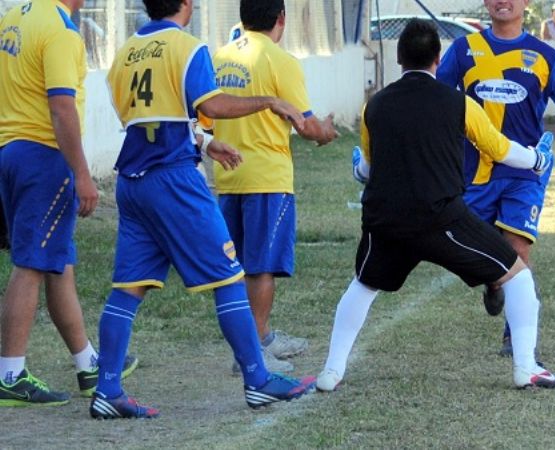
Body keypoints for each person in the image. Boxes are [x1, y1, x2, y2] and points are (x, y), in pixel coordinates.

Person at [91, 0, 315, 420]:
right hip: (174, 180)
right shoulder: (187, 47)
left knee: (128, 288)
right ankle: (258, 380)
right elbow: (210, 106)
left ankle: (107, 390)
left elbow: (152, 120)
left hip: (131, 181)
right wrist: (269, 100)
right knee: (230, 276)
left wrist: (208, 144)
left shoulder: (122, 55)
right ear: (187, 5)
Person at [316, 18, 555, 393]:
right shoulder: (459, 103)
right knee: (518, 275)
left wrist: (356, 168)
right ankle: (526, 367)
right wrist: (536, 160)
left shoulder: (375, 106)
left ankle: (331, 372)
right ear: (437, 59)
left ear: (400, 59)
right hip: (440, 219)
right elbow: (498, 149)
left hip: (384, 220)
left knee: (363, 286)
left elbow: (367, 168)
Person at [437, 0, 555, 357]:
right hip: (474, 173)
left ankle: (514, 334)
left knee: (518, 247)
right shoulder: (464, 49)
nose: (504, 2)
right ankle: (494, 283)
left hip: (524, 170)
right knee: (482, 249)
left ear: (525, 3)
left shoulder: (543, 55)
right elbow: (436, 95)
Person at [0, 0, 138, 408]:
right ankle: (10, 373)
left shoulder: (13, 17)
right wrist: (81, 173)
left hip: (11, 149)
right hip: (43, 157)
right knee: (30, 264)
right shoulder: (60, 29)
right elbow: (61, 106)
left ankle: (87, 363)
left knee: (59, 263)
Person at [210, 0, 338, 375]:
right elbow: (306, 125)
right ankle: (254, 348)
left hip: (228, 176)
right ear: (282, 18)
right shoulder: (281, 61)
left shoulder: (220, 56)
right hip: (267, 177)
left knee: (236, 266)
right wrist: (326, 132)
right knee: (262, 266)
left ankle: (260, 340)